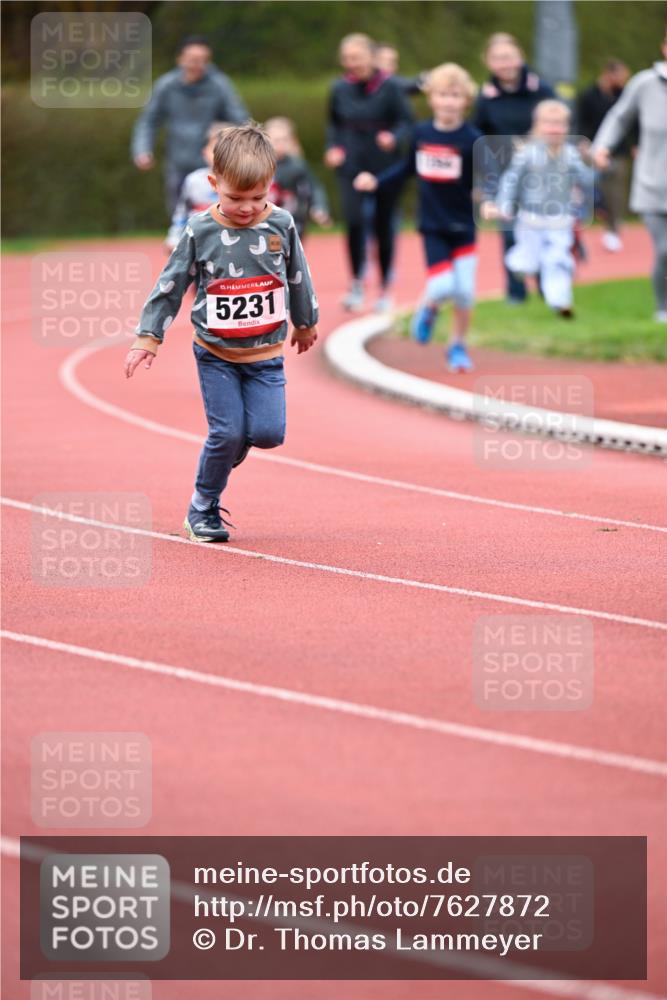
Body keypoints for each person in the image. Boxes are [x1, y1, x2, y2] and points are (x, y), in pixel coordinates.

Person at [124, 124, 319, 542]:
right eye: (234, 198)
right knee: (226, 433)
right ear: (214, 184)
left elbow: (298, 275)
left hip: (266, 354)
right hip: (216, 353)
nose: (247, 208)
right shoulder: (200, 230)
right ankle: (203, 507)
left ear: (271, 184)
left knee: (268, 434)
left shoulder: (281, 224)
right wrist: (148, 337)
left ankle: (227, 453)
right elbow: (171, 284)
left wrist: (305, 322)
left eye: (257, 197)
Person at [355, 63, 481, 372]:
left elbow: (483, 180)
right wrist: (377, 181)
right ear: (432, 98)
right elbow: (407, 168)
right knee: (442, 287)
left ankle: (457, 346)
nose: (448, 101)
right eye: (443, 94)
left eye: (455, 95)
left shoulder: (473, 139)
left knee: (465, 293)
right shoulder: (421, 133)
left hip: (464, 226)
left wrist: (488, 198)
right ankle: (429, 308)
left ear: (465, 100)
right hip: (433, 225)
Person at [325, 32, 414, 313]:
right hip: (351, 164)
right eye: (348, 58)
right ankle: (356, 283)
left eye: (358, 57)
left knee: (383, 226)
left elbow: (407, 122)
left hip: (384, 166)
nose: (353, 63)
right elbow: (333, 124)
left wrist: (393, 137)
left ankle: (385, 287)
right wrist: (333, 147)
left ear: (372, 57)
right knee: (353, 222)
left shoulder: (391, 87)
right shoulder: (339, 88)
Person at [483, 100, 593, 319]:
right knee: (529, 260)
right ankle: (518, 265)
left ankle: (560, 301)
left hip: (560, 218)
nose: (554, 129)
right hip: (531, 217)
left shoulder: (571, 155)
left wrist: (592, 163)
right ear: (538, 125)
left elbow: (586, 179)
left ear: (567, 127)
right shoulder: (527, 154)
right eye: (549, 123)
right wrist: (503, 205)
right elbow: (511, 180)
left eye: (559, 124)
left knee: (557, 259)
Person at [473, 32, 555, 304]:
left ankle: (547, 287)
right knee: (509, 235)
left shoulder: (541, 90)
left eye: (508, 57)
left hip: (540, 174)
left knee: (543, 232)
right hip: (502, 176)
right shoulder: (485, 98)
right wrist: (483, 180)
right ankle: (516, 293)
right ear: (488, 62)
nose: (504, 64)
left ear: (520, 57)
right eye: (498, 58)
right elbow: (478, 138)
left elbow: (559, 121)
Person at [592, 32, 667, 322]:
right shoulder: (645, 84)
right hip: (653, 185)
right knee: (665, 250)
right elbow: (619, 117)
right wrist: (602, 147)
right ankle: (663, 307)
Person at [131, 35, 248, 213]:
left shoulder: (219, 85)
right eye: (193, 59)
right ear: (180, 59)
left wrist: (249, 151)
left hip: (211, 163)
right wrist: (142, 150)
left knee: (215, 213)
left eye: (203, 60)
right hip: (177, 162)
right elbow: (148, 120)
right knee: (178, 212)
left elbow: (240, 119)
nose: (197, 65)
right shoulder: (166, 86)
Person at [577, 59, 632, 251]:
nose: (624, 81)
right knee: (590, 192)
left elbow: (633, 121)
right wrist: (583, 142)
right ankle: (580, 229)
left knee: (616, 194)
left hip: (618, 152)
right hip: (592, 152)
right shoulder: (588, 95)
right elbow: (581, 120)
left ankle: (613, 230)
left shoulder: (624, 96)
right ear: (609, 74)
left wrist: (636, 144)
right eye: (621, 76)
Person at [164, 121, 228, 250]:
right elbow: (182, 211)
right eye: (215, 151)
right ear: (204, 152)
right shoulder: (193, 180)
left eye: (226, 151)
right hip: (197, 240)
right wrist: (174, 237)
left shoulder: (241, 181)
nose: (220, 157)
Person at [264, 117, 331, 239]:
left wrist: (319, 207)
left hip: (293, 221)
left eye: (285, 139)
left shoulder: (298, 166)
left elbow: (314, 187)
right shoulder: (259, 165)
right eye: (277, 140)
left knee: (290, 249)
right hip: (267, 221)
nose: (281, 144)